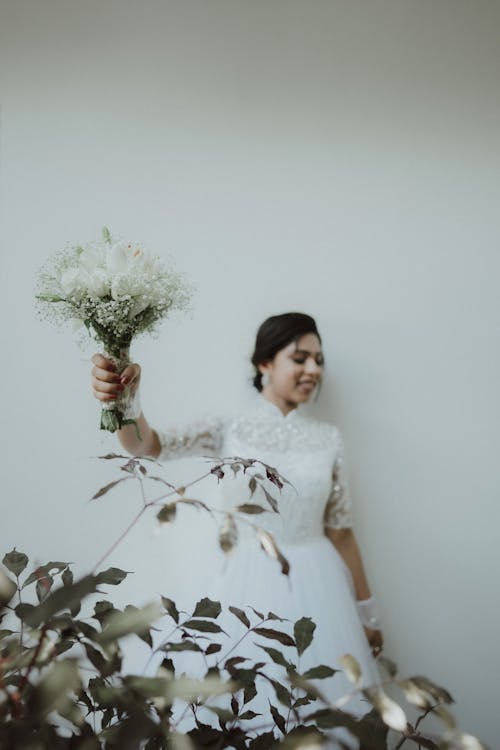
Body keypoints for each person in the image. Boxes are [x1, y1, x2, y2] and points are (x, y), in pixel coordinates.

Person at [91, 312, 384, 745]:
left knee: (319, 719)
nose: (313, 370)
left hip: (320, 589)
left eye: (319, 360)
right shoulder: (228, 426)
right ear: (265, 362)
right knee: (231, 713)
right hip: (239, 586)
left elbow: (340, 530)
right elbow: (147, 446)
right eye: (299, 358)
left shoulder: (328, 439)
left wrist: (367, 611)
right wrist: (125, 403)